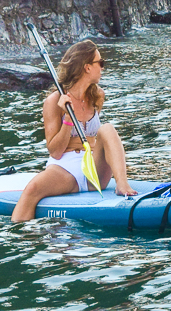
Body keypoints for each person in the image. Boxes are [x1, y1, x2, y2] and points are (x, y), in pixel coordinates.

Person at [11, 40, 136, 222]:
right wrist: (68, 120)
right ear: (87, 67)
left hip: (94, 168)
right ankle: (22, 238)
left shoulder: (97, 96)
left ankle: (122, 184)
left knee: (107, 129)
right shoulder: (54, 102)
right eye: (100, 63)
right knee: (32, 190)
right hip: (65, 167)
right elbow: (55, 151)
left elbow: (95, 137)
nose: (102, 68)